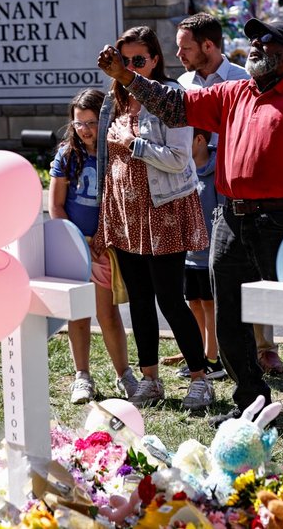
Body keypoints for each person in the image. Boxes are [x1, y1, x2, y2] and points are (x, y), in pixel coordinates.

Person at [96, 18, 283, 424]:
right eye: (252, 39)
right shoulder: (234, 93)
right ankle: (250, 403)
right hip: (230, 219)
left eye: (264, 41)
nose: (253, 45)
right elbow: (174, 105)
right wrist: (128, 77)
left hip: (281, 222)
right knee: (229, 318)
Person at [93, 25, 214, 412]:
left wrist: (135, 144)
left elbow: (179, 159)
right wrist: (103, 216)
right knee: (140, 302)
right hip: (125, 214)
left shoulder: (171, 96)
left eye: (138, 60)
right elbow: (105, 163)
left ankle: (200, 380)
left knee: (170, 299)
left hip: (163, 211)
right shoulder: (114, 100)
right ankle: (150, 380)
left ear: (156, 59)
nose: (129, 67)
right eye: (124, 61)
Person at [173, 12, 283, 376]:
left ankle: (265, 347)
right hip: (195, 181)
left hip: (238, 179)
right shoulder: (183, 85)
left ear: (209, 45)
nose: (180, 55)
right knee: (207, 266)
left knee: (253, 266)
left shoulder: (243, 78)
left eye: (185, 48)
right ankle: (216, 348)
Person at [49, 88, 138, 405]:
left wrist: (104, 235)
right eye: (78, 123)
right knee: (78, 314)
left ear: (106, 119)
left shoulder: (116, 152)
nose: (84, 129)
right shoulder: (68, 155)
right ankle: (81, 376)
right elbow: (56, 206)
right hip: (76, 247)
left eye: (91, 121)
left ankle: (124, 374)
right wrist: (77, 242)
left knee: (108, 314)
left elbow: (123, 202)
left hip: (106, 246)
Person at [176, 127, 228, 381]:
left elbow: (221, 211)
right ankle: (196, 357)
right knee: (193, 303)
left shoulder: (218, 170)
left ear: (199, 139)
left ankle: (213, 360)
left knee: (210, 305)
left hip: (209, 255)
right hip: (187, 254)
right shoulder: (181, 168)